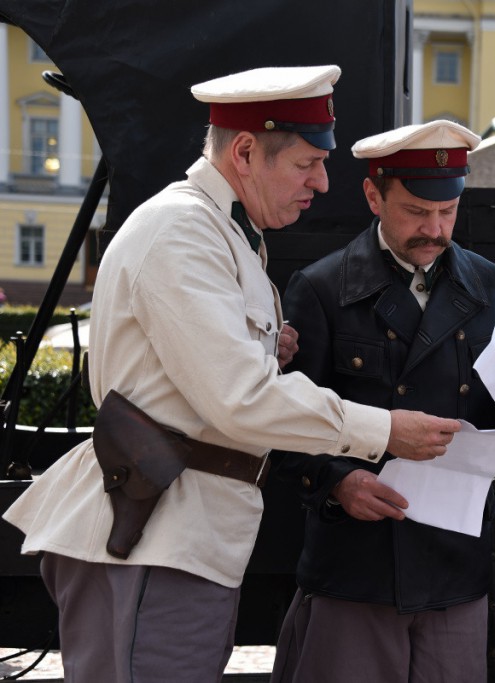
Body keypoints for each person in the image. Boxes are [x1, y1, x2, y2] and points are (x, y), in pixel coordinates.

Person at [2, 65, 460, 683]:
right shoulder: (183, 232)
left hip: (177, 533)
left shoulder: (221, 231)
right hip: (157, 537)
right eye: (306, 163)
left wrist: (263, 349)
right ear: (244, 152)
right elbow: (239, 399)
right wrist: (383, 430)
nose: (322, 182)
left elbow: (203, 378)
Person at [269, 119, 495, 683]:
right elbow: (283, 426)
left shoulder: (490, 284)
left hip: (453, 563)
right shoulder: (321, 288)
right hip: (357, 566)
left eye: (448, 212)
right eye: (416, 211)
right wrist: (338, 483)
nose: (434, 230)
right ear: (374, 197)